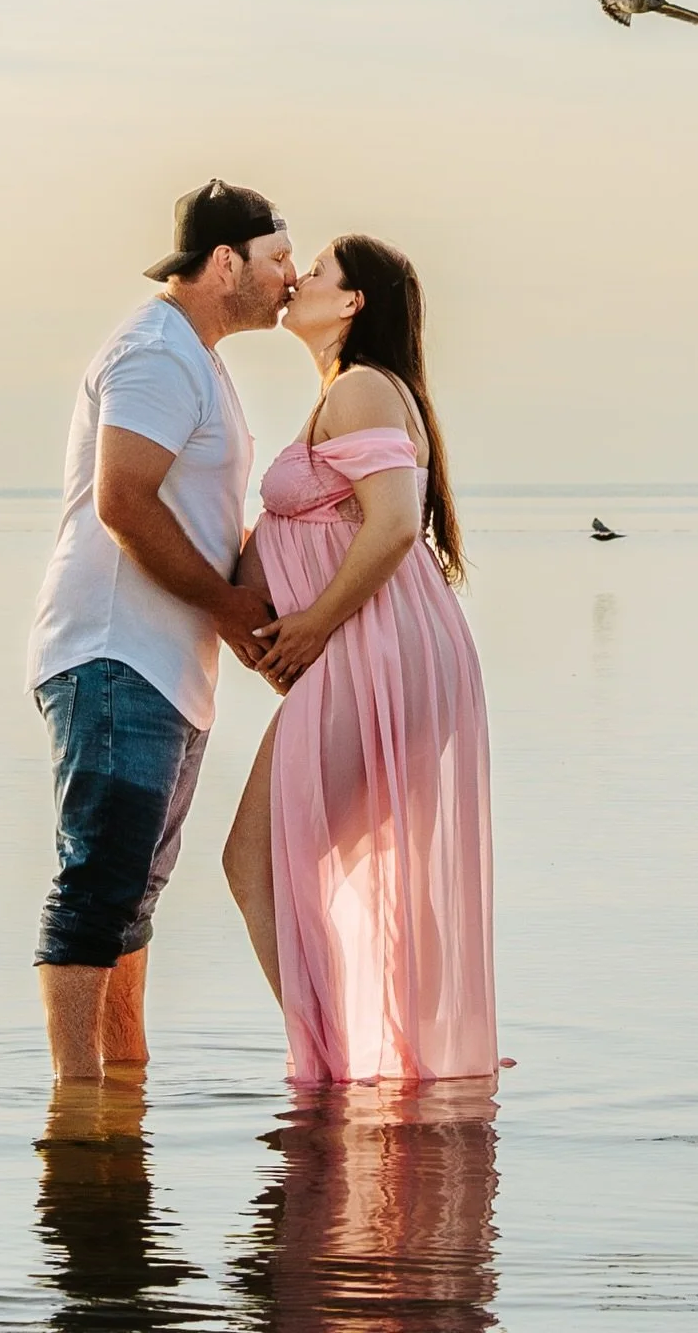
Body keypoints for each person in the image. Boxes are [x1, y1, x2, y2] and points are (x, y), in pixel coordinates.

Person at [28, 179, 296, 1080]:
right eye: (278, 259)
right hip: (114, 653)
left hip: (168, 667)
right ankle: (78, 1113)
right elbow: (124, 502)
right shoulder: (155, 353)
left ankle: (124, 1090)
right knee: (98, 886)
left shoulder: (197, 356)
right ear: (226, 262)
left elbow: (205, 519)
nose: (291, 277)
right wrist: (228, 607)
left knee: (133, 897)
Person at [223, 235, 497, 1083]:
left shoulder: (366, 388)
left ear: (351, 304)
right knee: (289, 859)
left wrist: (310, 628)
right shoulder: (341, 395)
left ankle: (335, 1066)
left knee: (256, 859)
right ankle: (364, 1056)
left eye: (320, 271)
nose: (299, 276)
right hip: (372, 648)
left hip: (373, 646)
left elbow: (392, 525)